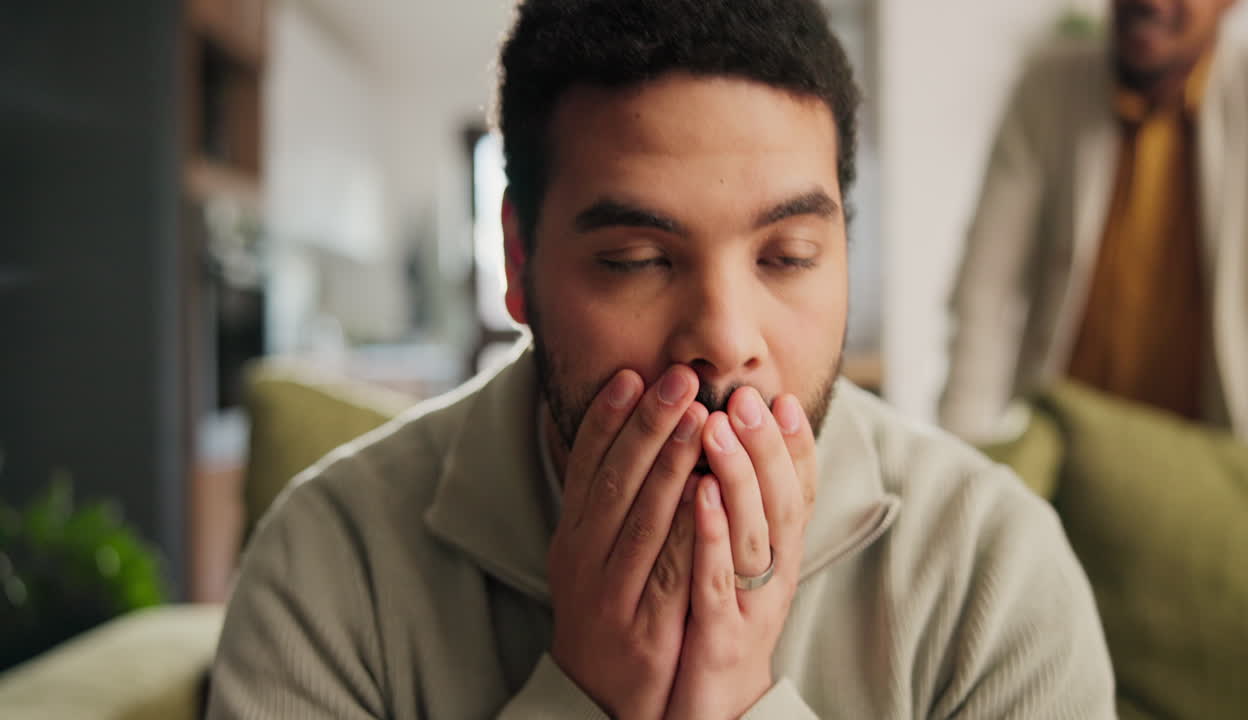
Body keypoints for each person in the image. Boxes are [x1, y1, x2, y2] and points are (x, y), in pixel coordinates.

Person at [207, 1, 1114, 717]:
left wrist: (743, 705)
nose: (724, 339)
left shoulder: (994, 573)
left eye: (787, 256)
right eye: (637, 261)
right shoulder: (327, 563)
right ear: (519, 265)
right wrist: (586, 697)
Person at [941, 0, 1248, 450]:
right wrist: (963, 458)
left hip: (1203, 460)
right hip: (1060, 449)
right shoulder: (1049, 88)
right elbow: (984, 291)